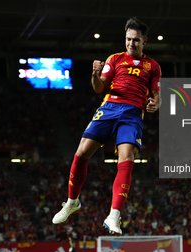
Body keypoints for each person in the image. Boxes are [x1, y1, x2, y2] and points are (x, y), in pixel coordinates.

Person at [52, 17, 161, 236]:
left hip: (132, 113)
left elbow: (157, 95)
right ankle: (72, 202)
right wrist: (94, 74)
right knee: (81, 152)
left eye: (136, 40)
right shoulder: (115, 59)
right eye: (128, 39)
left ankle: (114, 215)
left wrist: (155, 104)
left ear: (144, 41)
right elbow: (99, 87)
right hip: (109, 107)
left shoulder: (153, 66)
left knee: (127, 158)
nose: (131, 44)